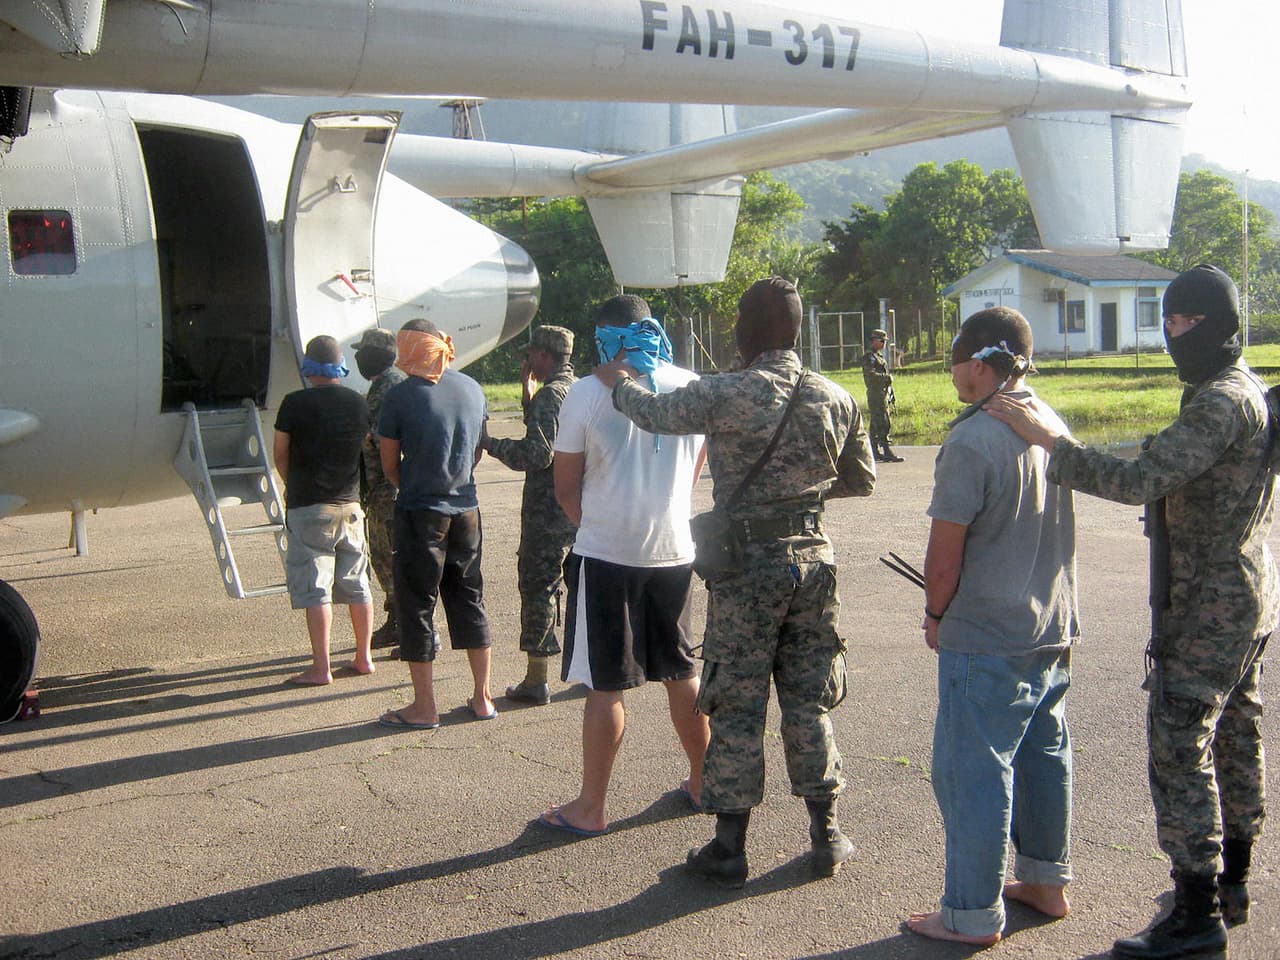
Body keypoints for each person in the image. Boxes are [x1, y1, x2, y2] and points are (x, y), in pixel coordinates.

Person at [986, 264, 1275, 960]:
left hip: (1208, 605)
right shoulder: (1237, 390)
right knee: (1237, 736)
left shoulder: (1218, 402)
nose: (1174, 334)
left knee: (1181, 749)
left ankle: (1197, 913)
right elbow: (1160, 459)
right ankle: (1229, 884)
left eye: (1185, 323)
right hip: (1238, 595)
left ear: (1218, 324)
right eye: (1169, 322)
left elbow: (1142, 479)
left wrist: (1053, 444)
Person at [597, 277, 876, 887]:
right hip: (813, 562)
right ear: (797, 329)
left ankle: (729, 847)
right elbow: (861, 479)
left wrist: (622, 383)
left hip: (748, 567)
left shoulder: (724, 392)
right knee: (809, 698)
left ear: (747, 331)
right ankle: (826, 834)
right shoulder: (836, 396)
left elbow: (651, 414)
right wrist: (797, 494)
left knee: (738, 701)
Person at [906, 307, 1078, 946]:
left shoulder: (973, 438)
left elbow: (944, 552)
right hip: (1052, 623)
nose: (952, 371)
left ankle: (971, 913)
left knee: (973, 770)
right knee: (1044, 757)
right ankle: (1045, 882)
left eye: (955, 359)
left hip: (988, 633)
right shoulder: (1047, 421)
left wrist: (933, 613)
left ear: (978, 363)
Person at [539, 294, 710, 837]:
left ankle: (590, 808)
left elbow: (565, 487)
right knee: (681, 671)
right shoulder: (691, 384)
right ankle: (705, 782)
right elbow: (697, 470)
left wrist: (599, 523)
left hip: (608, 553)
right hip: (675, 549)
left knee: (604, 685)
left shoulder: (586, 393)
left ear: (602, 336)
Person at [375, 318, 495, 730]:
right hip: (467, 510)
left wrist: (412, 483)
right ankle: (482, 697)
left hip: (421, 512)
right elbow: (477, 449)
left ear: (409, 347)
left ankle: (424, 707)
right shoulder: (473, 388)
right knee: (469, 599)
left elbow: (389, 462)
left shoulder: (400, 395)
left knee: (417, 606)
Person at [479, 325, 578, 705]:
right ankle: (592, 671)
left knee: (539, 588)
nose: (527, 360)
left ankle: (536, 679)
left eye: (531, 353)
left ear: (544, 356)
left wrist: (492, 444)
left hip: (547, 511)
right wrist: (528, 398)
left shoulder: (551, 395)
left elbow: (538, 454)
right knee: (582, 588)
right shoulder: (578, 388)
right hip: (579, 507)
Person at [273, 335, 375, 686]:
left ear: (309, 367)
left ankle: (321, 667)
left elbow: (280, 454)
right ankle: (363, 657)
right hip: (350, 506)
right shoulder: (359, 403)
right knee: (357, 583)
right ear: (340, 366)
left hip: (309, 506)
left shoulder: (293, 404)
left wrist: (293, 484)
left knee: (316, 588)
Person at [353, 326, 406, 650]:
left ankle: (403, 623)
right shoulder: (383, 386)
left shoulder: (391, 388)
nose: (359, 357)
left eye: (364, 352)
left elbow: (383, 439)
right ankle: (397, 619)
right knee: (384, 558)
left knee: (391, 558)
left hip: (391, 490)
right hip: (380, 489)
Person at [862, 328, 903, 463]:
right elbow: (870, 375)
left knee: (875, 423)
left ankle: (874, 451)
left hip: (882, 393)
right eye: (881, 341)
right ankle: (886, 450)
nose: (883, 344)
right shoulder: (869, 357)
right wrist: (886, 377)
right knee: (883, 422)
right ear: (874, 341)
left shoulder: (878, 357)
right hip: (875, 394)